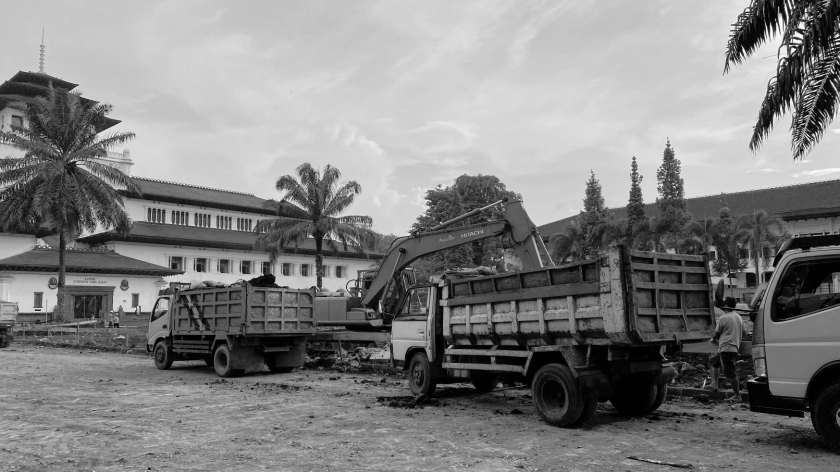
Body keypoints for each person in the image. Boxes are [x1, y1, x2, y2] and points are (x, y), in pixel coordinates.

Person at [708, 297, 746, 402]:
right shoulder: (739, 317)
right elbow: (745, 333)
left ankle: (737, 395)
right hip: (731, 347)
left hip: (726, 348)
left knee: (730, 373)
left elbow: (716, 333)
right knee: (713, 361)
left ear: (725, 305)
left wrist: (713, 339)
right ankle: (714, 384)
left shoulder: (723, 318)